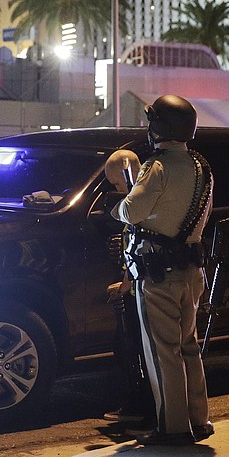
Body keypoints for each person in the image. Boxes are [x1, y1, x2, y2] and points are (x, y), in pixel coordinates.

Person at [111, 95, 214, 445]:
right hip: (191, 270)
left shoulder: (156, 166)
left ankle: (172, 428)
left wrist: (122, 201)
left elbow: (132, 211)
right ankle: (198, 420)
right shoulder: (202, 166)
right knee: (189, 346)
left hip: (158, 271)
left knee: (162, 351)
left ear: (159, 127)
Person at [104, 147, 157, 428]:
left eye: (117, 182)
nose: (117, 188)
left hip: (144, 287)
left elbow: (141, 247)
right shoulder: (138, 196)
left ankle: (144, 405)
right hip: (140, 285)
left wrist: (125, 284)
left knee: (137, 349)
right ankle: (143, 404)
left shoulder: (141, 198)